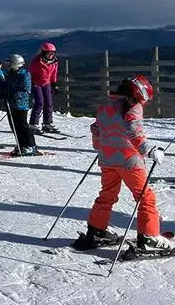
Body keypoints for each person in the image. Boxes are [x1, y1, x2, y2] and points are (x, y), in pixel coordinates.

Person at [72, 75, 174, 252]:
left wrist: (100, 147)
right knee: (145, 197)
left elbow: (96, 129)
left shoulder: (106, 106)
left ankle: (97, 230)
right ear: (139, 93)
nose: (144, 103)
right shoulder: (132, 108)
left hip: (107, 160)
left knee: (107, 194)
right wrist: (150, 150)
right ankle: (149, 238)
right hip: (129, 162)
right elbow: (134, 133)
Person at [3, 54, 39, 156]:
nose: (7, 65)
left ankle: (30, 146)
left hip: (20, 105)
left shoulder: (24, 74)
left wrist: (12, 93)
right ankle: (21, 144)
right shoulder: (11, 73)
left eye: (9, 62)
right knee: (14, 126)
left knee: (22, 126)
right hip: (12, 103)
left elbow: (26, 88)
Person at [29, 42, 60, 134]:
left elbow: (54, 73)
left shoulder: (54, 62)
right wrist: (30, 84)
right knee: (39, 103)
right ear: (43, 53)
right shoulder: (36, 62)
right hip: (36, 83)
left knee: (49, 103)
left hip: (47, 83)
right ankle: (33, 124)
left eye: (52, 53)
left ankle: (47, 123)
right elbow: (30, 73)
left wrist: (54, 84)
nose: (50, 55)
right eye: (48, 53)